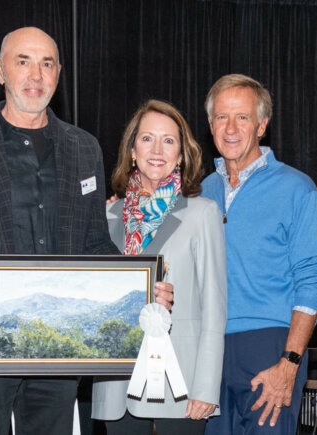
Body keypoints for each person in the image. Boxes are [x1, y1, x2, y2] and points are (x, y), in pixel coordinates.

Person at [0, 27, 178, 435]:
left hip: (58, 345)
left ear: (59, 73)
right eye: (23, 61)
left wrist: (145, 290)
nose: (35, 75)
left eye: (46, 64)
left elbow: (95, 243)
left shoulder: (84, 148)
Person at [196, 74, 317, 434]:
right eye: (222, 117)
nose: (231, 127)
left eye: (242, 117)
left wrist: (288, 363)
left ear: (262, 125)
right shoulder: (197, 194)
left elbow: (312, 276)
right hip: (208, 351)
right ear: (210, 125)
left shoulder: (296, 188)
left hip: (271, 347)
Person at [91, 100, 227, 434]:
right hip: (116, 384)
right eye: (147, 138)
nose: (157, 149)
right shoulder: (105, 216)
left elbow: (215, 307)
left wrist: (206, 387)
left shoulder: (203, 213)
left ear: (181, 154)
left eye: (169, 141)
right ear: (132, 149)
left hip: (180, 383)